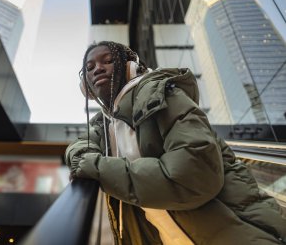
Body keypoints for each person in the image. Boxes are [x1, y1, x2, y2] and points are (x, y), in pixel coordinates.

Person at [65, 41, 286, 245]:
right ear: (86, 85)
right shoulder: (105, 125)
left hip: (240, 233)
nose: (98, 69)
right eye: (90, 67)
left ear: (129, 67)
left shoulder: (163, 94)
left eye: (108, 60)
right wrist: (86, 161)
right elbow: (77, 148)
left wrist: (97, 168)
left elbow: (192, 177)